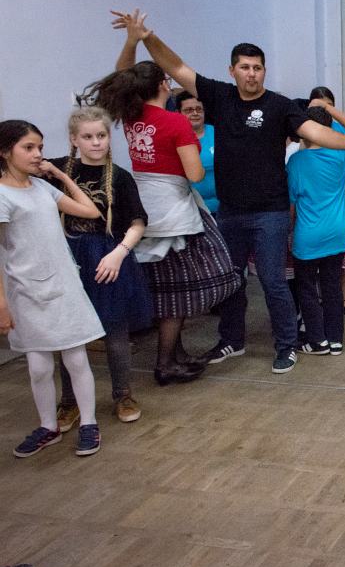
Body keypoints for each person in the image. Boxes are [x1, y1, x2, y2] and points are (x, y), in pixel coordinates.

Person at [111, 9, 345, 374]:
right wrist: (146, 37)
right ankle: (232, 340)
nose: (251, 73)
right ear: (232, 70)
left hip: (270, 212)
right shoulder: (219, 96)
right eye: (245, 67)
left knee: (273, 281)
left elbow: (313, 131)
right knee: (230, 281)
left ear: (264, 71)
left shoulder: (279, 106)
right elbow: (176, 66)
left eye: (257, 67)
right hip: (230, 212)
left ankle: (286, 345)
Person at [85, 59, 240, 385]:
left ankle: (176, 354)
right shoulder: (175, 122)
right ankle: (166, 362)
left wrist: (132, 40)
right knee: (178, 291)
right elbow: (195, 174)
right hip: (172, 208)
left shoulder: (132, 116)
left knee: (164, 286)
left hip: (143, 204)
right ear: (162, 85)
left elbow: (122, 71)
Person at [0, 120, 105, 458]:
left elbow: (90, 211)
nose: (37, 154)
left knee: (76, 357)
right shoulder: (2, 195)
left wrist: (60, 175)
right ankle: (48, 426)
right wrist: (2, 302)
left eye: (40, 148)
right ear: (5, 152)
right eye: (28, 148)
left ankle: (88, 423)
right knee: (39, 366)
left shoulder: (42, 188)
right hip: (25, 291)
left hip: (62, 285)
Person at [48, 107, 151, 429]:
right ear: (74, 139)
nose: (96, 142)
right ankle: (69, 401)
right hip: (69, 256)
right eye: (88, 136)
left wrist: (119, 254)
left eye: (102, 136)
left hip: (107, 257)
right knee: (70, 334)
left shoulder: (119, 176)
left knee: (115, 330)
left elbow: (137, 222)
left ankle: (123, 394)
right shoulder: (56, 170)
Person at [287, 106, 345, 355]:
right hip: (337, 233)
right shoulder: (342, 154)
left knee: (306, 288)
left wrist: (288, 231)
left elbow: (292, 205)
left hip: (307, 236)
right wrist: (327, 107)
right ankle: (335, 340)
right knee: (332, 288)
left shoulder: (295, 162)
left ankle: (317, 341)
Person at [305, 86, 345, 316]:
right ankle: (322, 298)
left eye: (328, 105)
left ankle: (344, 296)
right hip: (312, 200)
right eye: (319, 105)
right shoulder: (304, 131)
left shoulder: (340, 129)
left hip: (339, 195)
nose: (323, 109)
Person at [177, 91, 218, 215]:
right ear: (178, 113)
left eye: (199, 109)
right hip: (189, 210)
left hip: (222, 209)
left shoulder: (219, 133)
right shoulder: (174, 138)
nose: (195, 113)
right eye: (189, 110)